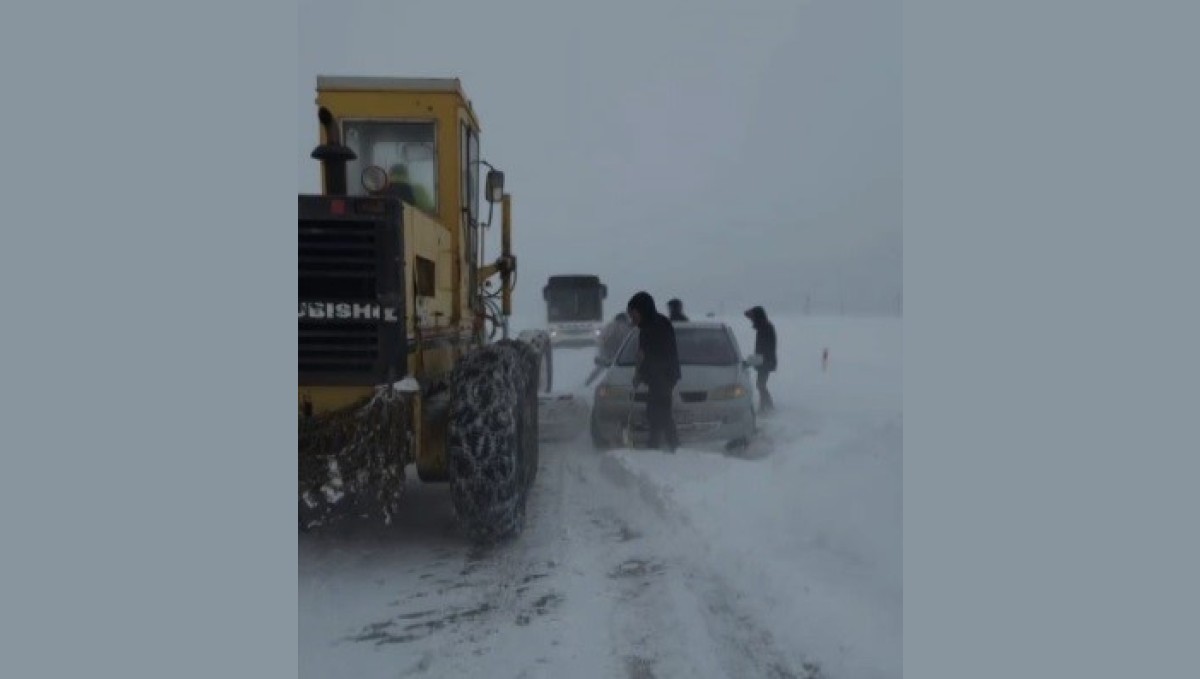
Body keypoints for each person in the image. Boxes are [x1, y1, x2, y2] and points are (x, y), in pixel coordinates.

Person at [627, 292, 681, 452]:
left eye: (633, 313)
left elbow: (658, 356)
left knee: (660, 412)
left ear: (643, 309)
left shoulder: (658, 325)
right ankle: (660, 445)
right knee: (656, 412)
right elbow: (645, 354)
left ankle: (670, 446)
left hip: (664, 376)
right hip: (657, 377)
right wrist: (641, 370)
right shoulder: (647, 326)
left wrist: (642, 370)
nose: (632, 318)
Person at [744, 305, 777, 413]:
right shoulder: (764, 327)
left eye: (753, 318)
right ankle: (767, 406)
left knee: (760, 385)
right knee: (761, 385)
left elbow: (764, 349)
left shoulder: (765, 328)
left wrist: (753, 360)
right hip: (764, 360)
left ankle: (766, 407)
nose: (751, 320)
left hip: (765, 361)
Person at [585, 312, 633, 386]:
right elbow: (629, 341)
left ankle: (588, 383)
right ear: (625, 320)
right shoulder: (626, 328)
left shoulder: (609, 326)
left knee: (599, 369)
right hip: (619, 355)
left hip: (606, 353)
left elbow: (601, 339)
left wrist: (602, 352)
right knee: (617, 371)